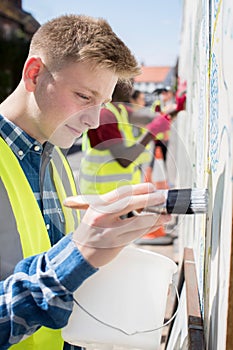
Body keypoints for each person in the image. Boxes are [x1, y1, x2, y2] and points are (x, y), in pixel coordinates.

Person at [0, 14, 171, 349]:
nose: (94, 120)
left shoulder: (58, 159)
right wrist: (77, 255)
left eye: (103, 103)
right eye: (83, 96)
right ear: (34, 74)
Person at [79, 81, 171, 196]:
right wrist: (151, 132)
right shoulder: (105, 115)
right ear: (114, 83)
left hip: (118, 193)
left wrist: (174, 110)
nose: (131, 88)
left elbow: (149, 118)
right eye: (128, 82)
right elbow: (124, 160)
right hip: (102, 194)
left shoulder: (120, 110)